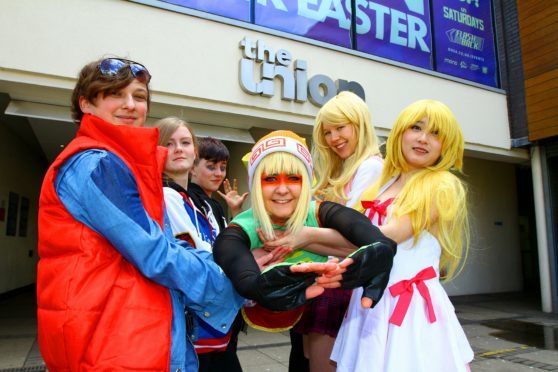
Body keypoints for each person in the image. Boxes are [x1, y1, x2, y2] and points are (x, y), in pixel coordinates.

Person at [35, 57, 297, 372]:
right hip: (111, 344)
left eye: (140, 96)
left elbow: (166, 246)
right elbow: (156, 253)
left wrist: (238, 267)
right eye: (115, 94)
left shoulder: (120, 164)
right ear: (86, 104)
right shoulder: (98, 164)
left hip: (126, 336)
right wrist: (236, 281)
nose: (130, 105)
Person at [331, 99, 474, 371]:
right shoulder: (382, 183)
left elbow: (384, 237)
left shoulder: (442, 185)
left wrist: (305, 237)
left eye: (436, 133)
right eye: (416, 128)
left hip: (412, 310)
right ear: (400, 132)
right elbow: (357, 242)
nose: (423, 139)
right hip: (369, 301)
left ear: (447, 144)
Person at [213, 130, 397, 333]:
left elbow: (356, 225)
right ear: (256, 184)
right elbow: (228, 249)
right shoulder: (245, 225)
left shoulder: (317, 211)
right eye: (271, 179)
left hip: (321, 311)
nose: (282, 189)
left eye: (293, 178)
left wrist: (382, 248)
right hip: (267, 317)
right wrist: (253, 284)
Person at [288, 90, 384, 372]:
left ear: (360, 125)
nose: (333, 138)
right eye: (327, 132)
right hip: (334, 280)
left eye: (340, 128)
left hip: (346, 284)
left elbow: (355, 235)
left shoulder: (370, 168)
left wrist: (300, 234)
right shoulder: (348, 169)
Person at [155, 117, 242, 371]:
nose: (179, 149)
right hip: (187, 330)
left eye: (184, 142)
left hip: (214, 330)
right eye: (169, 144)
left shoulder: (194, 203)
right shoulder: (159, 197)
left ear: (194, 150)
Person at [189, 137, 249, 234]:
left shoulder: (214, 204)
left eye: (223, 168)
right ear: (192, 168)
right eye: (211, 167)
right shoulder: (186, 199)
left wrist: (236, 210)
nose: (219, 174)